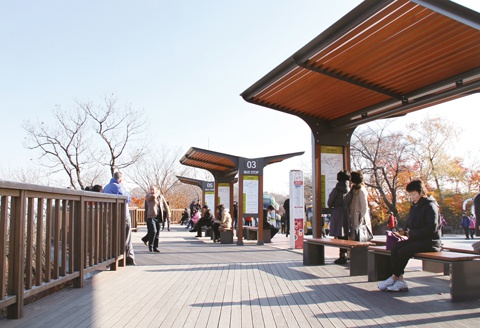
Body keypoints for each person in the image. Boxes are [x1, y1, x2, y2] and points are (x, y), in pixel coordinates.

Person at [378, 179, 441, 292]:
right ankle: (400, 280)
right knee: (396, 248)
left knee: (404, 250)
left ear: (421, 192)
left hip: (430, 242)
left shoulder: (431, 206)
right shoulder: (415, 206)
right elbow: (410, 224)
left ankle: (393, 277)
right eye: (410, 195)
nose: (412, 197)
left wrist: (409, 233)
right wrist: (403, 230)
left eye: (413, 194)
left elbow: (432, 229)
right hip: (417, 240)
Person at [103, 171, 136, 265]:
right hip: (122, 215)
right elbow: (127, 198)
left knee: (112, 236)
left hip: (110, 214)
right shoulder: (118, 187)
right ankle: (127, 258)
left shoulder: (106, 187)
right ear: (121, 180)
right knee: (126, 236)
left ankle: (111, 258)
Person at [327, 170, 350, 264]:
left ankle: (342, 256)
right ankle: (346, 255)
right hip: (348, 214)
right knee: (346, 236)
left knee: (340, 236)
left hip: (338, 214)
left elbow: (329, 203)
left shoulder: (336, 190)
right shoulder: (350, 189)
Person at [346, 170, 372, 241]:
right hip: (355, 218)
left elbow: (364, 206)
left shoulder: (361, 190)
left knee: (359, 238)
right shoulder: (354, 190)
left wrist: (361, 217)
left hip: (359, 220)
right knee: (354, 238)